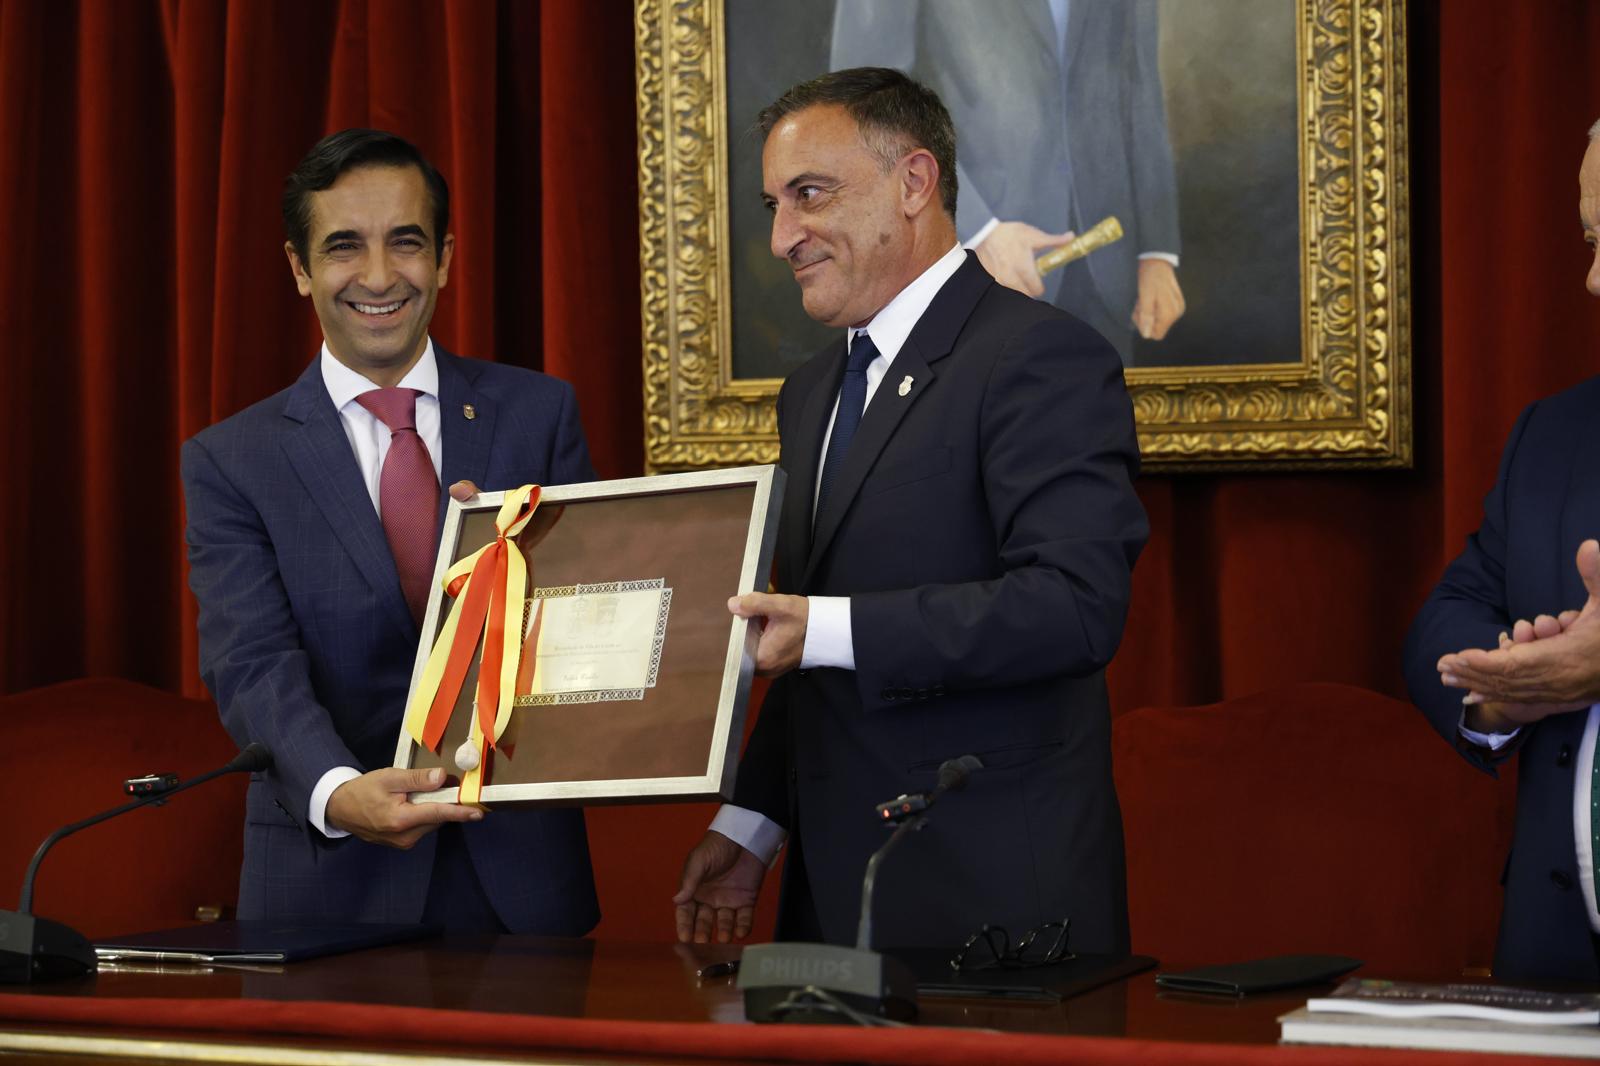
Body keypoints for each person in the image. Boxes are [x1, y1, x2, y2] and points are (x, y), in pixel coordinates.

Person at [672, 68, 1148, 952]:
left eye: (808, 195)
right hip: (834, 900)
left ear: (915, 182)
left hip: (995, 905)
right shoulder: (813, 391)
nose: (781, 237)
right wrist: (753, 825)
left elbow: (1075, 608)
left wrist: (820, 630)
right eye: (773, 204)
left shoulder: (1040, 357)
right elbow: (803, 626)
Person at [182, 129, 598, 933]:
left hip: (519, 884)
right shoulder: (232, 460)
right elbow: (252, 662)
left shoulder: (540, 416)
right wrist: (337, 791)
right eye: (344, 248)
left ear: (443, 258)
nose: (378, 277)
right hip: (327, 882)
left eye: (405, 243)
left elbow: (592, 620)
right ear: (301, 271)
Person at [1402, 122, 1600, 983]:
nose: (1593, 279)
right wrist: (1500, 691)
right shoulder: (1551, 435)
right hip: (1555, 960)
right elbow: (1446, 617)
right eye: (1593, 241)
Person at [830, 0, 1184, 365]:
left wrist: (1155, 253)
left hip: (1105, 278)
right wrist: (978, 230)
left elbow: (1141, 88)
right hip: (958, 272)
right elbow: (859, 105)